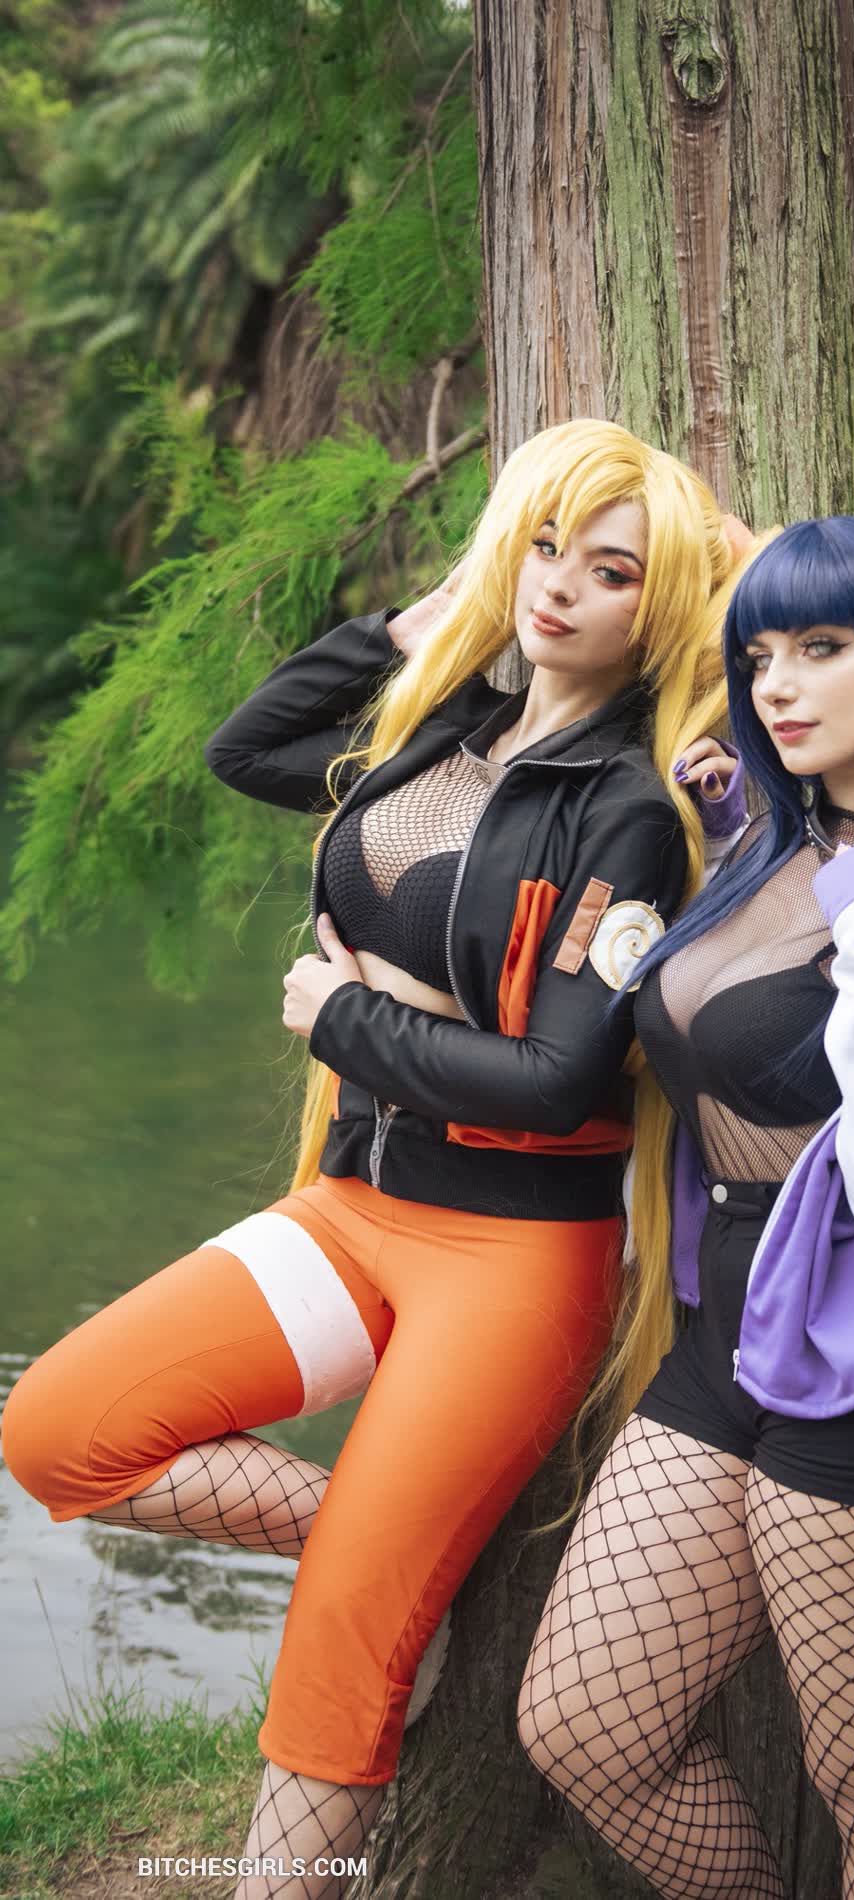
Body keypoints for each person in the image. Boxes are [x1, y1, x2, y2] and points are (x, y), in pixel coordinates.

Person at [2, 420, 748, 1900]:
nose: (560, 587)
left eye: (610, 571)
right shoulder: (450, 724)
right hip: (351, 1210)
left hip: (512, 1257)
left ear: (656, 604)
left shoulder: (627, 808)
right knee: (59, 1432)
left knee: (337, 1657)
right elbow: (250, 750)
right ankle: (390, 1558)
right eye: (542, 546)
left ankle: (350, 1678)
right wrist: (415, 624)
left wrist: (344, 1018)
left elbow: (559, 1081)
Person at [518, 514, 854, 1900]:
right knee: (586, 1726)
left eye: (823, 647)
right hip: (730, 1334)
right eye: (760, 653)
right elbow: (741, 1033)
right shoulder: (774, 840)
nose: (776, 684)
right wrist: (742, 844)